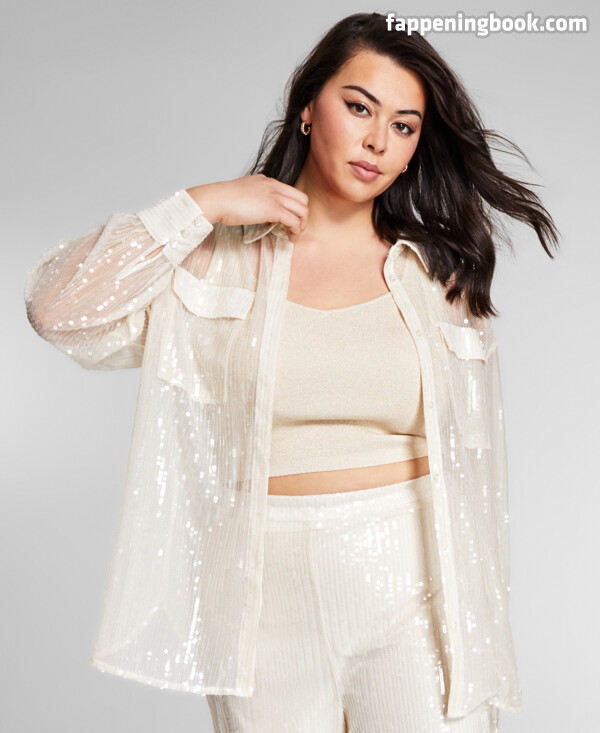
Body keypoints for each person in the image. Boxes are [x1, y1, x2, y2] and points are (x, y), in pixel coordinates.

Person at [24, 12, 558, 733]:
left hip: (412, 581)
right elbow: (57, 310)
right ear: (309, 106)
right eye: (359, 107)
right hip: (259, 594)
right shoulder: (217, 261)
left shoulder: (437, 277)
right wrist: (200, 206)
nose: (378, 141)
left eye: (403, 126)